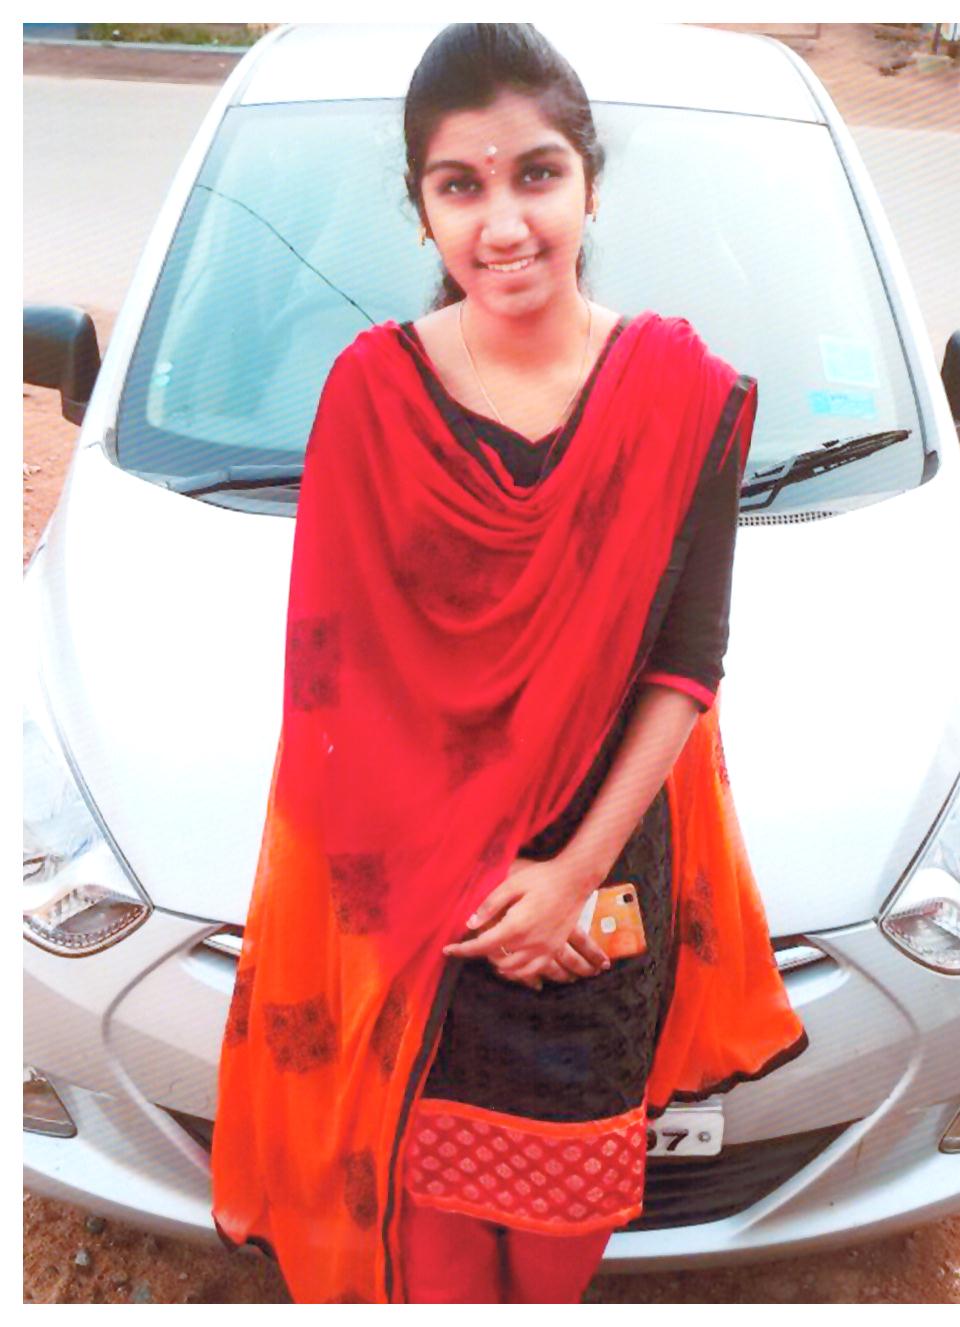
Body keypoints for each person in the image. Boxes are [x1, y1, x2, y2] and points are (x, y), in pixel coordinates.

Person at [209, 23, 808, 1305]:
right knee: (428, 1256)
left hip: (596, 908)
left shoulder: (680, 394)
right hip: (418, 907)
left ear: (590, 183)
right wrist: (474, 889)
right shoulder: (372, 396)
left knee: (553, 1249)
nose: (502, 224)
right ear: (422, 208)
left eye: (535, 174)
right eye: (459, 185)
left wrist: (567, 879)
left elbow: (686, 665)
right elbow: (335, 685)